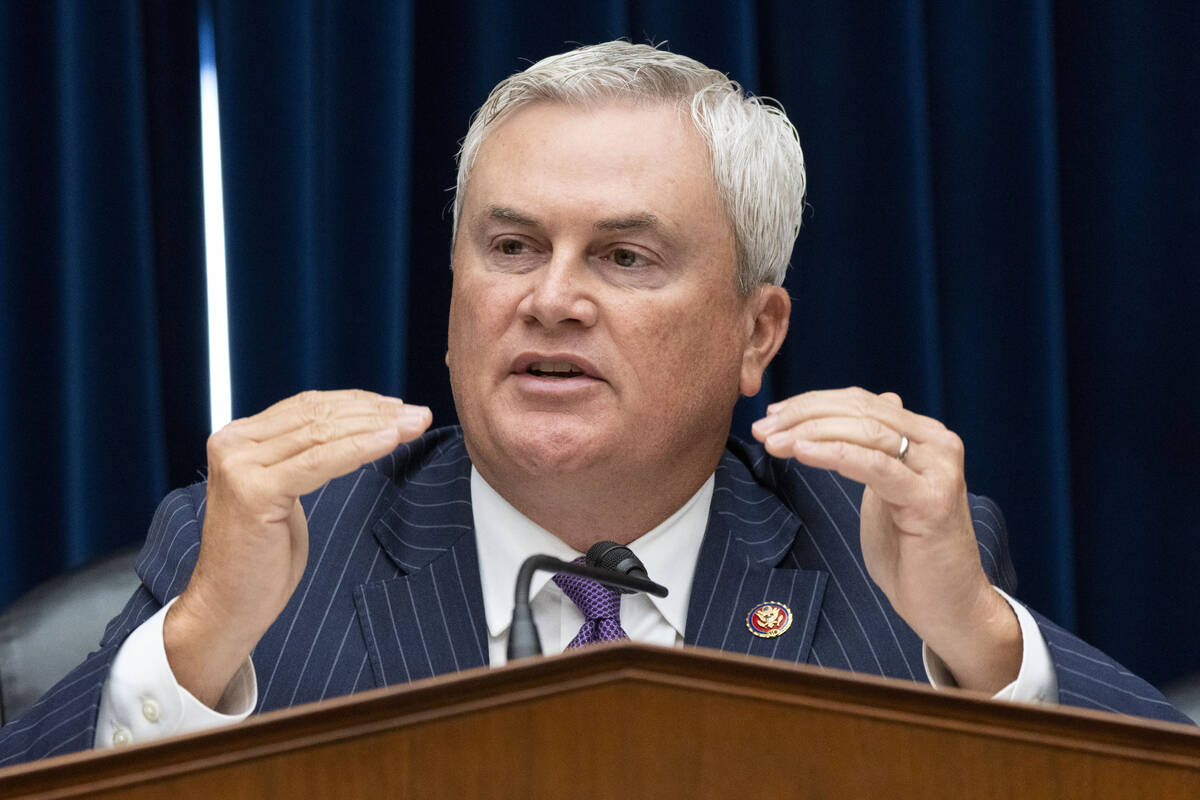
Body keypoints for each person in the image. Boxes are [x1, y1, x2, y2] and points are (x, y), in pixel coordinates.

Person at [0, 41, 1187, 767]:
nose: (551, 299)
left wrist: (983, 644)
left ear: (754, 331)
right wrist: (201, 644)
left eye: (624, 257)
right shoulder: (277, 544)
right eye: (511, 244)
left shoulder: (886, 554)